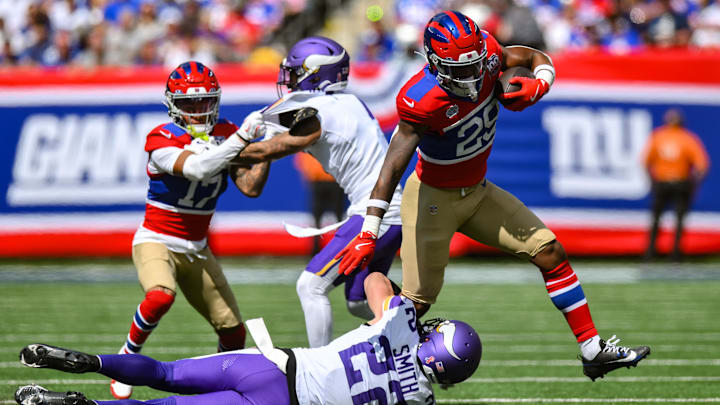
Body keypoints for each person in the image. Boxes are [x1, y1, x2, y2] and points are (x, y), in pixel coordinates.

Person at [336, 10, 651, 382]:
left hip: (478, 192)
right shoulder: (420, 99)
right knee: (413, 306)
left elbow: (535, 57)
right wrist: (369, 231)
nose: (472, 74)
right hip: (433, 200)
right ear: (435, 64)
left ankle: (592, 350)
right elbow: (390, 169)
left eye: (474, 64)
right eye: (460, 67)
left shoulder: (486, 54)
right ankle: (353, 364)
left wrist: (541, 82)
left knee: (549, 251)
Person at [14, 273, 482, 405]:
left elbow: (376, 279)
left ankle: (93, 362)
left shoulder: (398, 323)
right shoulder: (420, 398)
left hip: (271, 362)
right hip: (282, 401)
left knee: (166, 373)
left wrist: (397, 308)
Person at [109, 61, 270, 399]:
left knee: (232, 331)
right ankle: (128, 354)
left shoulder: (225, 133)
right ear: (173, 106)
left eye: (204, 102)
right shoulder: (162, 137)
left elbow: (251, 187)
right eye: (189, 104)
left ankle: (220, 388)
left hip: (197, 248)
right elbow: (197, 168)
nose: (198, 111)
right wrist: (242, 138)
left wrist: (265, 148)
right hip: (157, 239)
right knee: (160, 295)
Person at [233, 36, 404, 348]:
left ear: (315, 73)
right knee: (360, 301)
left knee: (310, 285)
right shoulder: (347, 102)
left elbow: (279, 146)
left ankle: (319, 370)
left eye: (297, 72)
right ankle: (420, 332)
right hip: (390, 215)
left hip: (375, 215)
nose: (291, 80)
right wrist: (248, 149)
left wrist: (225, 151)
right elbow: (252, 183)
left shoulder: (319, 111)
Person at [643, 108, 710, 261]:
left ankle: (651, 253)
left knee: (656, 219)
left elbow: (646, 162)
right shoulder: (687, 138)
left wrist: (652, 181)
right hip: (680, 182)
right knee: (678, 220)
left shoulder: (658, 136)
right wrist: (694, 183)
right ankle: (675, 255)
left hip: (663, 182)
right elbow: (702, 165)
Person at [293, 153, 346, 255]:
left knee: (338, 218)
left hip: (334, 181)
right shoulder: (309, 144)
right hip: (319, 181)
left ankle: (341, 247)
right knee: (317, 218)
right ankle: (316, 248)